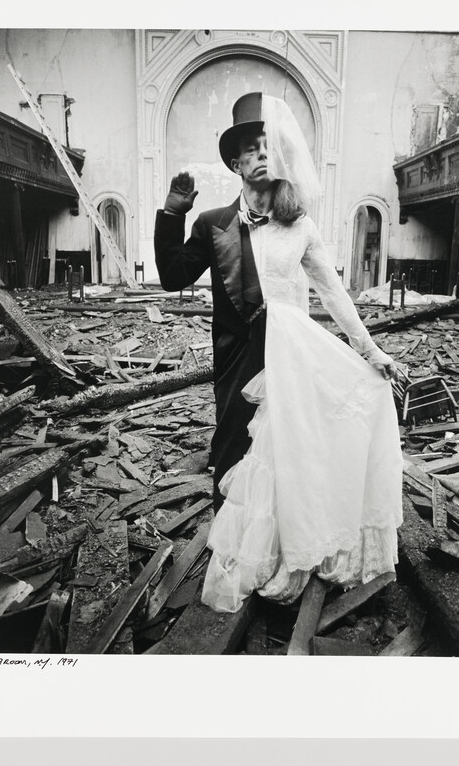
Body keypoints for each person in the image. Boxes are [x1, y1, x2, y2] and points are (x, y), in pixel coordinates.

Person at [155, 92, 403, 613]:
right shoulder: (213, 223)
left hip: (290, 355)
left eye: (268, 145)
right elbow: (173, 277)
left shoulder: (301, 225)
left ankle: (286, 554)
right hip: (236, 355)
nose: (261, 153)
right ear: (235, 163)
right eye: (250, 148)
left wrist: (370, 351)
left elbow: (334, 295)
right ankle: (233, 557)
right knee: (231, 451)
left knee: (291, 453)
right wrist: (173, 213)